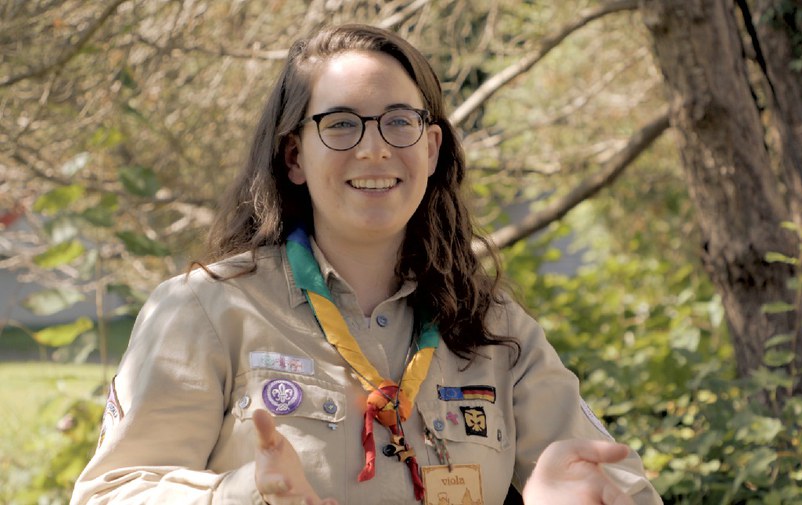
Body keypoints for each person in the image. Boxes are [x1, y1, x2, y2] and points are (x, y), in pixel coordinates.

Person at [71, 23, 663, 505]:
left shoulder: (494, 325)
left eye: (399, 122)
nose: (375, 147)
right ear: (294, 155)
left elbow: (624, 489)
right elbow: (112, 493)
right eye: (341, 124)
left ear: (431, 150)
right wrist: (241, 493)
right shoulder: (203, 308)